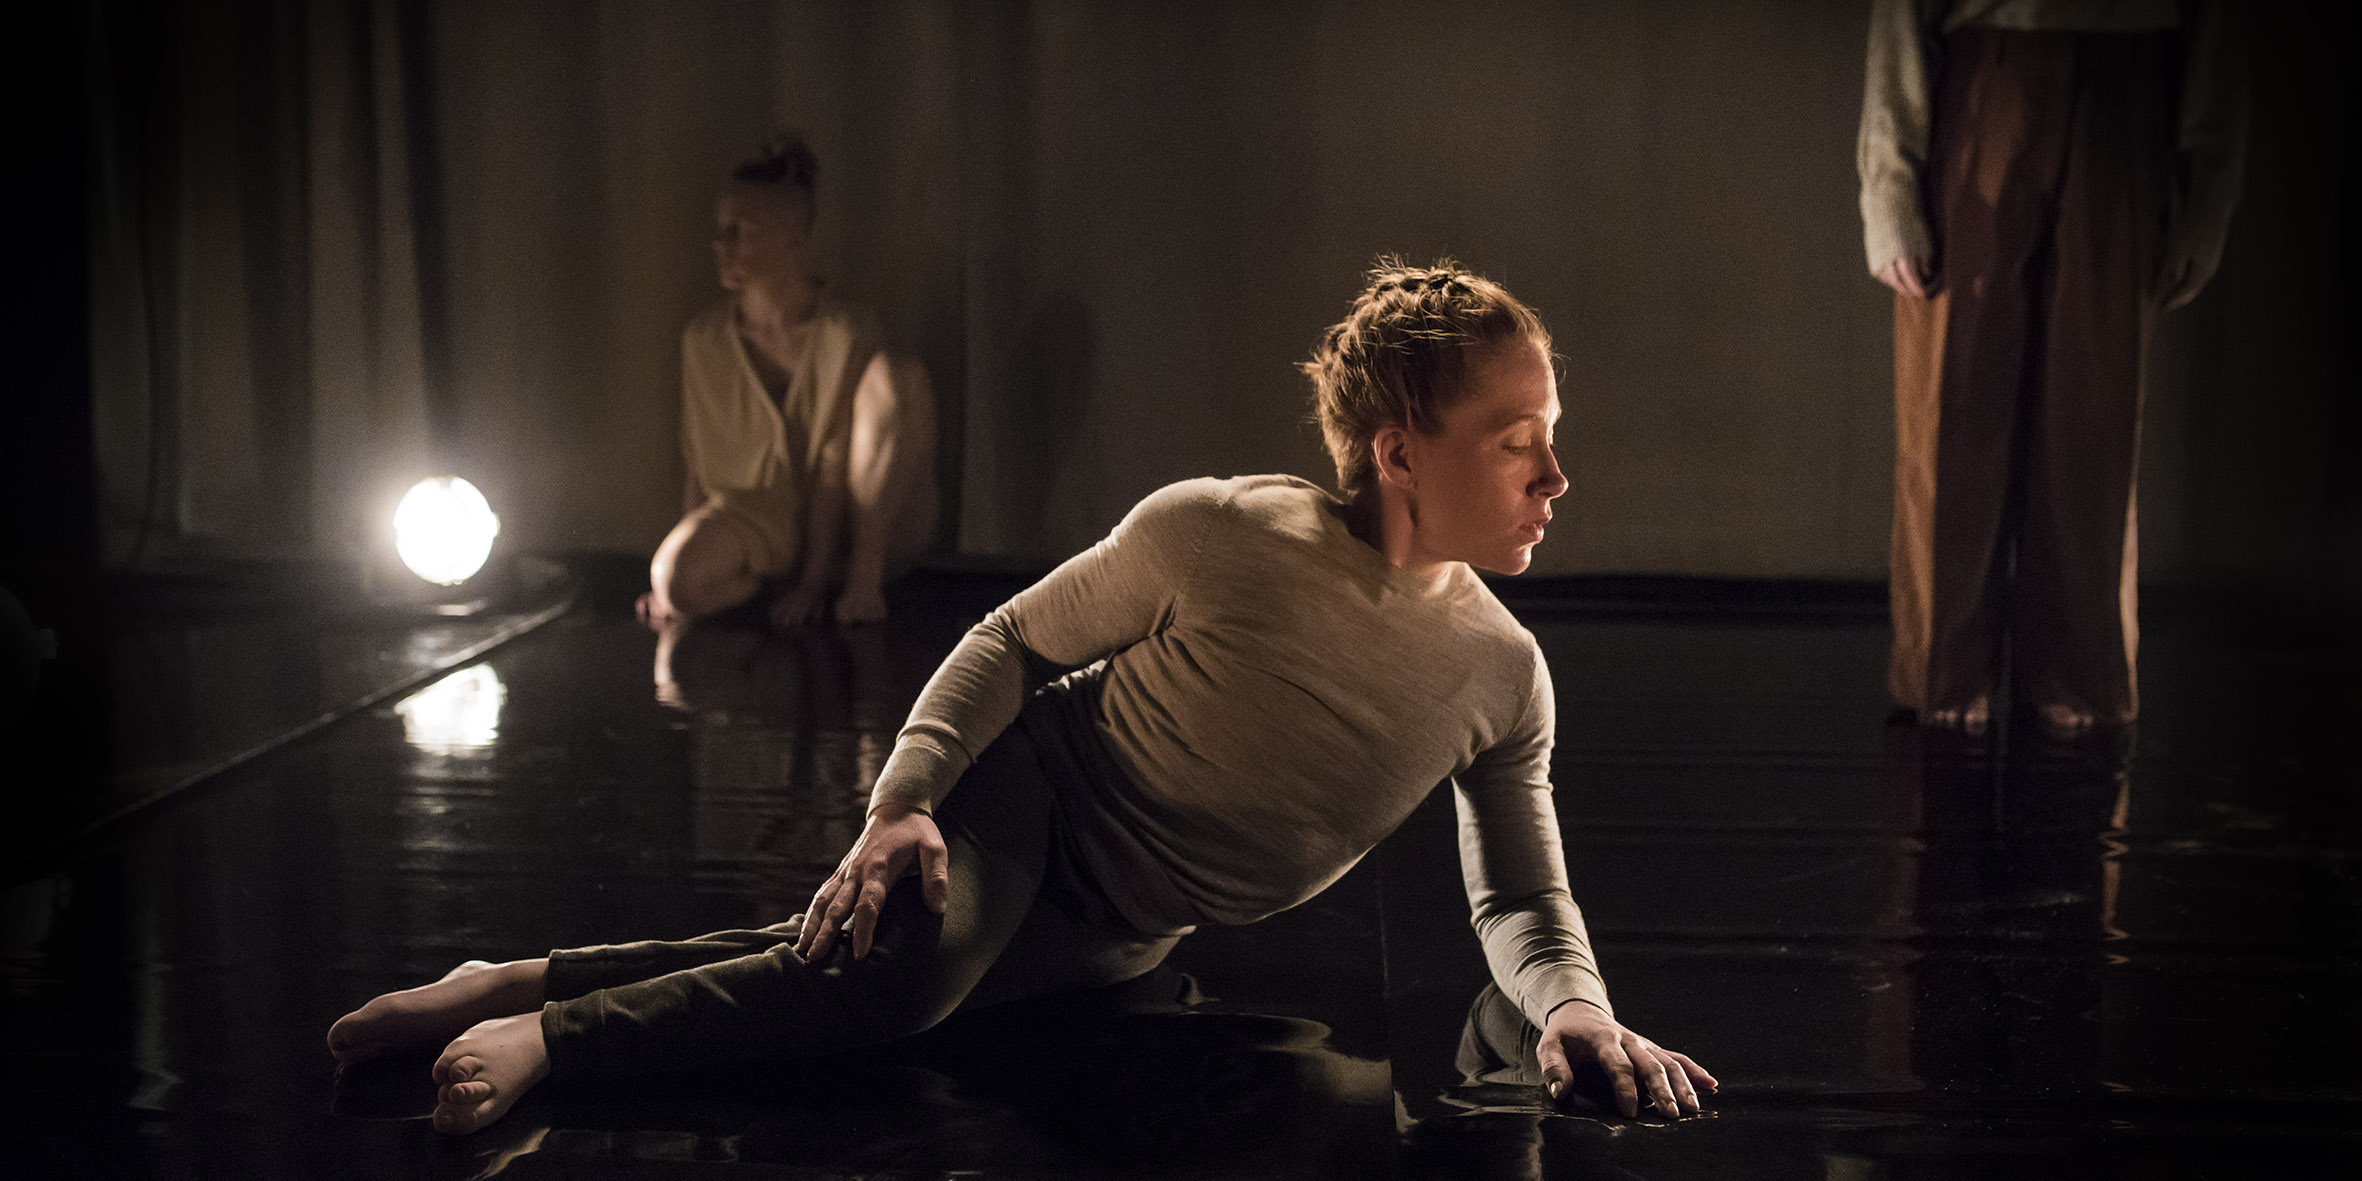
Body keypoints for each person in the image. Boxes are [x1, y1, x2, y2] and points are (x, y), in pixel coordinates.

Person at [329, 260, 1718, 1135]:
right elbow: (1008, 640)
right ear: (1399, 450)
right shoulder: (1224, 529)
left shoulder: (1498, 670)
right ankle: (543, 1043)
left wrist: (1574, 1009)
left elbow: (1521, 901)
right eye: (1518, 443)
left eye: (1553, 444)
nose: (1553, 478)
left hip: (1127, 917)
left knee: (843, 969)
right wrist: (902, 806)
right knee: (906, 990)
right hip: (1031, 795)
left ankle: (505, 978)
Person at [1857, 0, 2245, 736]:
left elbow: (2220, 34)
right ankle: (1946, 670)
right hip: (1982, 78)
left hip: (2129, 90)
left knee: (2093, 411)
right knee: (1954, 400)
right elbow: (1899, 17)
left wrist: (2207, 202)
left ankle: (2079, 671)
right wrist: (1889, 193)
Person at [637, 134, 938, 630]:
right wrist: (677, 561)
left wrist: (815, 581)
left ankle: (859, 582)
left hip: (849, 525)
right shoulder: (704, 339)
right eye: (720, 230)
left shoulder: (842, 331)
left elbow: (833, 468)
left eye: (742, 231)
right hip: (755, 522)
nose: (722, 245)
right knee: (678, 578)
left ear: (793, 236)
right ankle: (759, 579)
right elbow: (697, 459)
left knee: (899, 377)